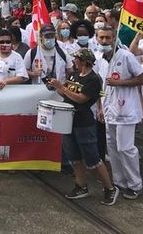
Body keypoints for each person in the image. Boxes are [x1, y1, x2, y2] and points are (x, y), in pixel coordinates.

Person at [47, 48, 119, 205]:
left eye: (76, 59)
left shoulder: (93, 79)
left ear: (84, 61)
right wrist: (58, 87)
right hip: (68, 120)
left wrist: (63, 87)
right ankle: (81, 186)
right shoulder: (74, 74)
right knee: (73, 156)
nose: (74, 61)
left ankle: (110, 188)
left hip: (84, 122)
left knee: (93, 159)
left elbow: (81, 99)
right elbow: (65, 94)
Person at [96, 26, 143, 199]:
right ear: (97, 38)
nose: (105, 41)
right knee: (113, 149)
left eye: (108, 38)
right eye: (101, 38)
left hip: (127, 110)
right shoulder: (100, 59)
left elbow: (141, 77)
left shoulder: (125, 55)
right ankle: (119, 181)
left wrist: (121, 82)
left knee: (126, 148)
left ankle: (135, 184)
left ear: (114, 38)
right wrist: (100, 107)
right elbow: (101, 87)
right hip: (109, 110)